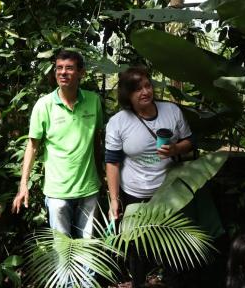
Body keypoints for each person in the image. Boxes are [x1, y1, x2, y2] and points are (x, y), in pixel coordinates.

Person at [105, 66, 194, 287]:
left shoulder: (171, 111)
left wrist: (175, 149)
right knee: (137, 249)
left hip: (170, 193)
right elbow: (112, 163)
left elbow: (191, 141)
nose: (145, 92)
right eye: (137, 89)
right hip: (135, 195)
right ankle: (138, 283)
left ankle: (172, 282)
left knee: (173, 246)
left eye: (147, 86)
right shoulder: (118, 122)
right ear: (128, 95)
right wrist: (114, 200)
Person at [11, 50, 103, 240]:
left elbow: (96, 141)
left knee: (88, 249)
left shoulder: (93, 101)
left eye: (69, 68)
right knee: (62, 252)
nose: (63, 72)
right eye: (59, 68)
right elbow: (32, 147)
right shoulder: (44, 105)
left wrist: (102, 176)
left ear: (81, 73)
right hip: (57, 192)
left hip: (89, 188)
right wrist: (23, 185)